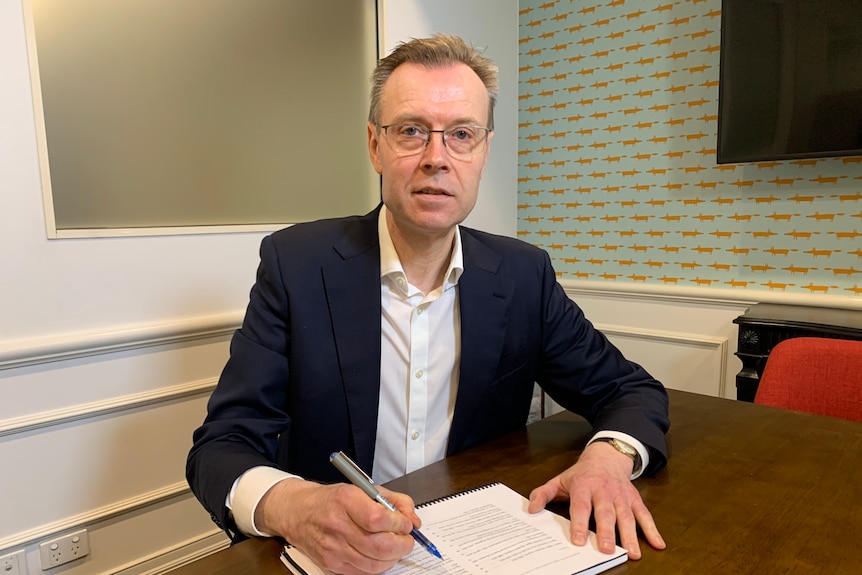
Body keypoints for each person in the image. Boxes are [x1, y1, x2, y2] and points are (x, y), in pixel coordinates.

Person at [186, 34, 669, 575]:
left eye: (461, 135)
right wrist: (296, 507)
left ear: (484, 151)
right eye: (411, 131)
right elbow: (220, 448)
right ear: (374, 145)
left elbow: (629, 390)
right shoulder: (296, 265)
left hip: (482, 548)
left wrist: (608, 460)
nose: (436, 158)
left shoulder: (522, 273)